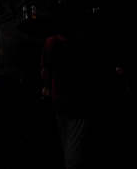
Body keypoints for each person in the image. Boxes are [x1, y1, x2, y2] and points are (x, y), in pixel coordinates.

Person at [41, 20, 91, 169]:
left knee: (66, 140)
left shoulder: (50, 42)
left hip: (58, 99)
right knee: (73, 146)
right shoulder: (78, 48)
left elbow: (45, 71)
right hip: (77, 104)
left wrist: (47, 87)